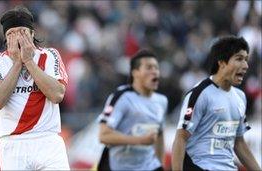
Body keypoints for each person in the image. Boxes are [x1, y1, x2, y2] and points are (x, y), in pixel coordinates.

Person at [0, 6, 70, 170]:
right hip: (12, 142)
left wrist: (29, 61)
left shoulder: (50, 55)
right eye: (11, 34)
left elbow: (57, 95)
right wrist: (17, 63)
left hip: (48, 139)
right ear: (5, 39)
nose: (17, 38)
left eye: (22, 32)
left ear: (32, 34)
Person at [171, 35, 261, 171]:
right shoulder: (200, 93)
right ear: (222, 62)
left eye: (246, 60)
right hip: (201, 167)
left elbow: (239, 143)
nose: (246, 65)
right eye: (239, 59)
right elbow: (181, 137)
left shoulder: (240, 96)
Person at [97, 49, 168, 171]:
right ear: (135, 73)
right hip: (120, 167)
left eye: (156, 68)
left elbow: (159, 135)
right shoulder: (121, 97)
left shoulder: (161, 101)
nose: (154, 72)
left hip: (149, 166)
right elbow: (104, 135)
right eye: (149, 67)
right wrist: (140, 140)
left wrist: (160, 164)